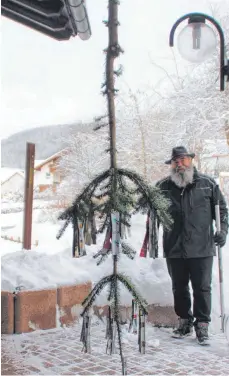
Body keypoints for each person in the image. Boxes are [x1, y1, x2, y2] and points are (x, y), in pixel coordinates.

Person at [156, 146, 228, 345]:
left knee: (202, 288)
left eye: (183, 160)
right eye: (175, 161)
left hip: (201, 246)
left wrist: (222, 231)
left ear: (190, 160)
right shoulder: (163, 187)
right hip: (174, 247)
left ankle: (202, 325)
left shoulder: (207, 184)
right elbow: (150, 210)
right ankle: (185, 321)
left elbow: (221, 210)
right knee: (179, 287)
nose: (179, 164)